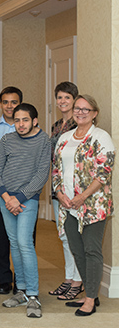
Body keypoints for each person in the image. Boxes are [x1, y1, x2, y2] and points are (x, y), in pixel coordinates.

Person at [52, 95, 115, 316]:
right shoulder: (65, 138)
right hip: (68, 204)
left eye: (85, 109)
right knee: (77, 250)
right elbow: (56, 169)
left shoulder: (101, 137)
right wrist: (59, 193)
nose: (80, 112)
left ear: (94, 113)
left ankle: (90, 299)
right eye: (77, 109)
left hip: (92, 204)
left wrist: (83, 196)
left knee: (91, 251)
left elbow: (104, 172)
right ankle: (91, 293)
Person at [0, 103, 51, 318]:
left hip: (27, 200)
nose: (21, 124)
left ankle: (33, 295)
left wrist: (20, 198)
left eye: (25, 120)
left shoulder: (44, 140)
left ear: (35, 121)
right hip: (6, 199)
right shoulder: (7, 140)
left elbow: (42, 174)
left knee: (25, 243)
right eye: (17, 120)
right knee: (14, 243)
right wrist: (7, 197)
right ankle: (22, 290)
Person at [48, 81, 83, 301]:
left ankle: (78, 281)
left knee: (75, 235)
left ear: (74, 100)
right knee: (63, 236)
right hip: (57, 187)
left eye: (67, 98)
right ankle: (69, 278)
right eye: (60, 97)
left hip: (74, 188)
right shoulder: (56, 126)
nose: (63, 101)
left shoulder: (79, 124)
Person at [0, 86, 23, 295]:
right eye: (6, 102)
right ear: (0, 104)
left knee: (23, 239)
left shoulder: (27, 126)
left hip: (22, 194)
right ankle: (3, 279)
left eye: (14, 102)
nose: (10, 106)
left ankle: (22, 280)